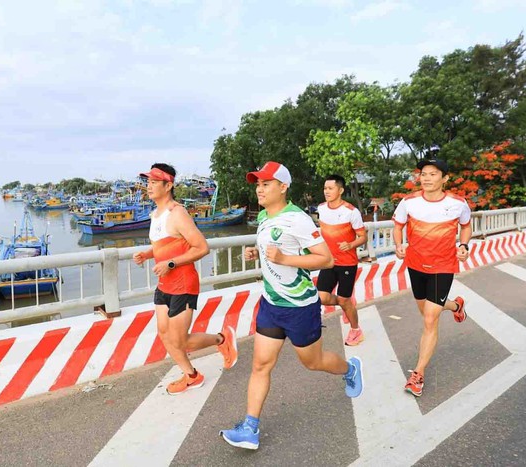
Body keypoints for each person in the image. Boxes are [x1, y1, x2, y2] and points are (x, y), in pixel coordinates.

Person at [220, 161, 363, 450]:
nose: (260, 189)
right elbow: (272, 249)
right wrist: (255, 253)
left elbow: (325, 259)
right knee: (260, 364)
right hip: (272, 302)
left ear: (283, 187)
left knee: (313, 362)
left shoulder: (297, 218)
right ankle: (250, 427)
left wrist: (284, 259)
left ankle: (350, 370)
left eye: (266, 184)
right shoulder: (262, 215)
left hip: (299, 306)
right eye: (258, 184)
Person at [133, 163, 238, 395]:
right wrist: (147, 254)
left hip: (183, 285)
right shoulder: (155, 214)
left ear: (168, 185)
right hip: (164, 285)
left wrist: (170, 264)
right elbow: (166, 244)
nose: (148, 186)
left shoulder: (177, 213)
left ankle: (222, 339)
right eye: (147, 182)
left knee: (180, 341)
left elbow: (201, 247)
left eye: (153, 182)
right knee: (164, 334)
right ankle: (192, 375)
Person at [393, 155, 471, 397]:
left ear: (445, 178)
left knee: (429, 319)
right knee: (427, 309)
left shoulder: (458, 203)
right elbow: (398, 226)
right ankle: (456, 304)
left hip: (443, 266)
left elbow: (466, 225)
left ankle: (418, 374)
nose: (426, 178)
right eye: (423, 174)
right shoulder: (409, 202)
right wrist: (399, 245)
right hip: (415, 265)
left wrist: (464, 245)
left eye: (432, 174)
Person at [316, 174, 367, 346]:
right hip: (328, 261)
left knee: (344, 300)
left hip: (347, 263)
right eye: (325, 188)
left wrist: (351, 244)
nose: (326, 191)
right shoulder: (321, 208)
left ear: (340, 190)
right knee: (321, 297)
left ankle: (356, 330)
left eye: (330, 188)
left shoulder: (351, 212)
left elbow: (363, 237)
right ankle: (347, 305)